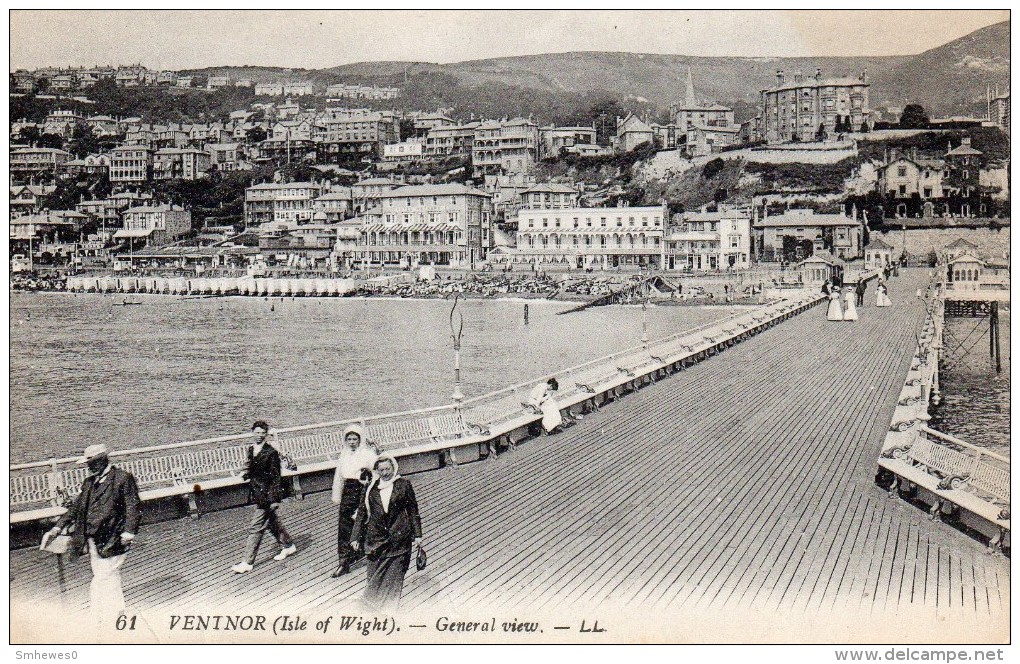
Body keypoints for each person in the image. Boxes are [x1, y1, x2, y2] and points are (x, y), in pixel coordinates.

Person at [41, 444, 140, 628]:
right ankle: (118, 611)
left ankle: (97, 615)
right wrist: (56, 528)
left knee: (102, 576)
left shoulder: (122, 479)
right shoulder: (89, 483)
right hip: (93, 539)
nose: (90, 467)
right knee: (109, 574)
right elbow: (76, 509)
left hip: (114, 537)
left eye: (92, 463)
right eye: (89, 464)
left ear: (102, 460)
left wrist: (129, 531)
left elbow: (133, 507)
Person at [351, 456, 422, 613]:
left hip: (399, 539)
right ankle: (371, 609)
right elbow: (362, 513)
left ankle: (390, 610)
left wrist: (417, 535)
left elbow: (412, 511)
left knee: (395, 578)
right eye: (381, 470)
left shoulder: (403, 485)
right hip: (376, 540)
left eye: (387, 469)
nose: (385, 473)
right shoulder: (370, 488)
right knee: (374, 576)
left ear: (393, 468)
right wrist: (355, 537)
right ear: (377, 471)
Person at [232, 420, 296, 573]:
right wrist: (245, 474)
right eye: (257, 432)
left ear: (266, 435)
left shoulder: (271, 452)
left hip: (267, 495)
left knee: (256, 526)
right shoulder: (251, 449)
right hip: (257, 492)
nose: (259, 435)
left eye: (262, 433)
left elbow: (276, 477)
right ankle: (288, 545)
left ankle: (247, 562)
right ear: (252, 433)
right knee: (272, 522)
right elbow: (252, 467)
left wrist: (274, 499)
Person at [329, 424, 378, 578]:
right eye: (349, 439)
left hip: (362, 490)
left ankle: (365, 553)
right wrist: (337, 495)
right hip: (348, 491)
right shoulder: (344, 455)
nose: (352, 442)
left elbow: (376, 472)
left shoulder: (368, 454)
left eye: (354, 439)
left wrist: (369, 488)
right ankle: (343, 562)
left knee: (364, 521)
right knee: (344, 525)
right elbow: (339, 477)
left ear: (359, 439)